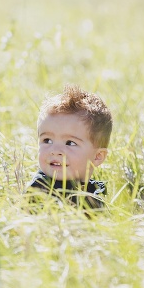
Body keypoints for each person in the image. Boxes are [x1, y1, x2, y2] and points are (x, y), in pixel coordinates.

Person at [27, 85, 112, 213]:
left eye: (70, 143)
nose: (55, 150)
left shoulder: (94, 192)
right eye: (47, 140)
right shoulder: (40, 190)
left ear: (97, 156)